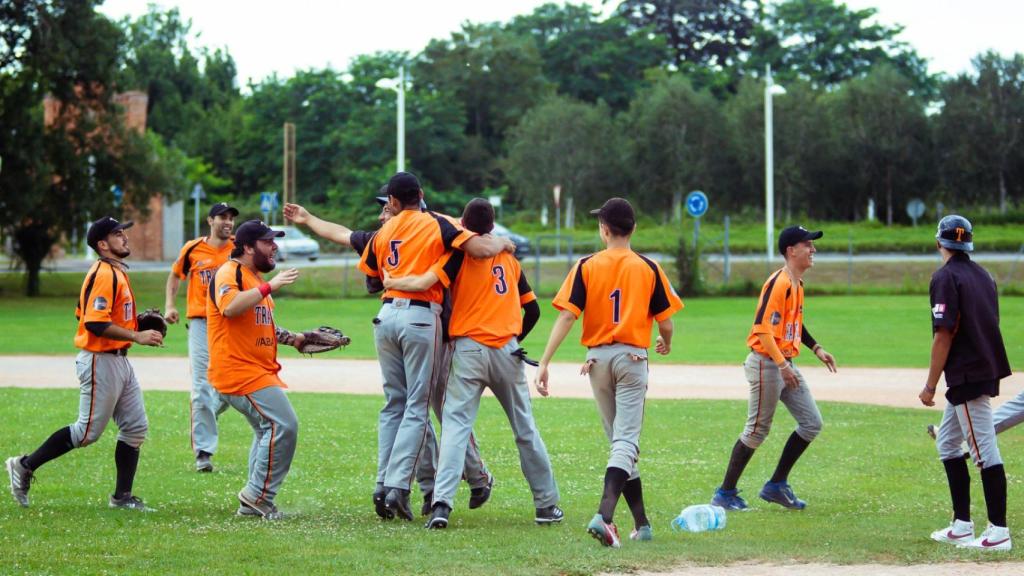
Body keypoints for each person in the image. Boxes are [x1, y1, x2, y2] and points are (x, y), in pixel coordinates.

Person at [284, 193, 494, 517]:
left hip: (443, 331)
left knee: (429, 408)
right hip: (425, 326)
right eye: (382, 207)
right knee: (419, 409)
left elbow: (474, 241)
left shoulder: (438, 226)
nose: (383, 212)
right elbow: (343, 235)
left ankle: (468, 478)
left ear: (401, 203)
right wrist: (308, 219)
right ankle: (425, 488)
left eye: (387, 205)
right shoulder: (395, 232)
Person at [383, 198, 561, 529]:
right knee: (525, 429)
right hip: (507, 351)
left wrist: (392, 283)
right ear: (493, 228)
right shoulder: (509, 260)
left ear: (464, 224)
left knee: (455, 428)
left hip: (469, 350)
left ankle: (441, 505)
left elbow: (427, 286)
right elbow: (533, 310)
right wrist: (514, 339)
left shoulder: (458, 255)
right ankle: (546, 505)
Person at [358, 171, 514, 521]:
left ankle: (386, 485)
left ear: (394, 204)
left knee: (397, 406)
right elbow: (477, 247)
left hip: (386, 317)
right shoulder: (439, 226)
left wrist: (307, 218)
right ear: (422, 194)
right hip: (426, 323)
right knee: (425, 406)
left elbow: (369, 276)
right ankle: (401, 486)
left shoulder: (384, 231)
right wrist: (502, 244)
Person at [533, 198, 684, 548]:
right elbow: (666, 322)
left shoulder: (586, 265)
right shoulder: (648, 267)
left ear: (604, 229)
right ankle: (604, 517)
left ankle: (643, 524)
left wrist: (544, 361)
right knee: (625, 443)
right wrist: (665, 341)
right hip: (632, 359)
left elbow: (568, 315)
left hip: (597, 361)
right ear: (632, 229)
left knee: (621, 443)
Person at [6, 217, 163, 510]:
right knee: (87, 432)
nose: (125, 237)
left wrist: (135, 321)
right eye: (118, 234)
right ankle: (24, 465)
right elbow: (92, 323)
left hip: (118, 361)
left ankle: (122, 497)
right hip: (99, 361)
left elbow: (85, 314)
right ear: (103, 244)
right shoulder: (106, 274)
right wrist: (136, 334)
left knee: (135, 427)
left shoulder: (117, 272)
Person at [710, 226, 837, 514]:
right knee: (756, 430)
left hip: (783, 363)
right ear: (792, 250)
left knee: (811, 423)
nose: (813, 250)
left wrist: (817, 348)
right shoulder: (779, 283)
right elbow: (762, 329)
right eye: (808, 244)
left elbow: (792, 325)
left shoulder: (797, 284)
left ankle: (776, 485)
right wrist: (782, 365)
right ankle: (724, 493)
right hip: (767, 363)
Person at [919, 215, 1012, 551]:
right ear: (968, 243)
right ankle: (961, 525)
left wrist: (930, 385)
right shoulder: (983, 275)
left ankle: (998, 531)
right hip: (981, 366)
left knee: (984, 450)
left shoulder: (945, 277)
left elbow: (943, 334)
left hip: (968, 372)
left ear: (938, 243)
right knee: (947, 443)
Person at [206, 219, 304, 520]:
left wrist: (295, 339)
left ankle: (254, 500)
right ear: (248, 247)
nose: (274, 246)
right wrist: (269, 286)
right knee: (283, 425)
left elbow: (261, 323)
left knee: (267, 429)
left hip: (256, 370)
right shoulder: (229, 272)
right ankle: (256, 497)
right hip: (238, 370)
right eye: (268, 241)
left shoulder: (251, 276)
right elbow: (231, 307)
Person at [165, 202, 238, 472]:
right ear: (210, 220)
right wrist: (170, 305)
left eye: (231, 218)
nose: (228, 222)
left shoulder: (238, 249)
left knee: (233, 385)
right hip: (200, 322)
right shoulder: (193, 248)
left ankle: (202, 418)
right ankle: (203, 452)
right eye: (222, 217)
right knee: (201, 387)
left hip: (231, 323)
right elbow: (175, 276)